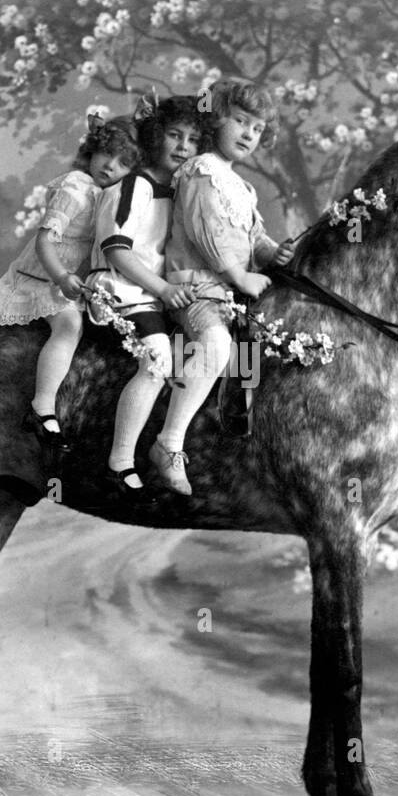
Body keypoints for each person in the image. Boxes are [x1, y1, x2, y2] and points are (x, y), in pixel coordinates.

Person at [149, 77, 295, 495]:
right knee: (216, 349)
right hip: (197, 289)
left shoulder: (242, 187)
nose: (249, 133)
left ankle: (246, 454)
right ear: (216, 120)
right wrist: (240, 275)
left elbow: (254, 237)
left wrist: (270, 255)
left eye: (258, 128)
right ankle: (169, 444)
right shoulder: (199, 170)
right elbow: (204, 233)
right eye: (241, 121)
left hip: (232, 296)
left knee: (266, 360)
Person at [0, 113, 140, 450]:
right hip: (39, 276)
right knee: (69, 326)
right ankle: (42, 406)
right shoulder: (76, 187)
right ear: (92, 151)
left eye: (123, 163)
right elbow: (45, 241)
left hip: (66, 280)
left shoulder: (106, 196)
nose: (110, 167)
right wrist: (62, 277)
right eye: (106, 154)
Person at [86, 94, 202, 494]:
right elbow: (116, 250)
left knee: (221, 351)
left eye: (192, 139)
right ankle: (119, 460)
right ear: (156, 136)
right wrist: (165, 288)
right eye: (174, 135)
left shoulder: (180, 191)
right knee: (157, 360)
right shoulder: (135, 185)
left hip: (150, 292)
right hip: (121, 287)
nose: (183, 147)